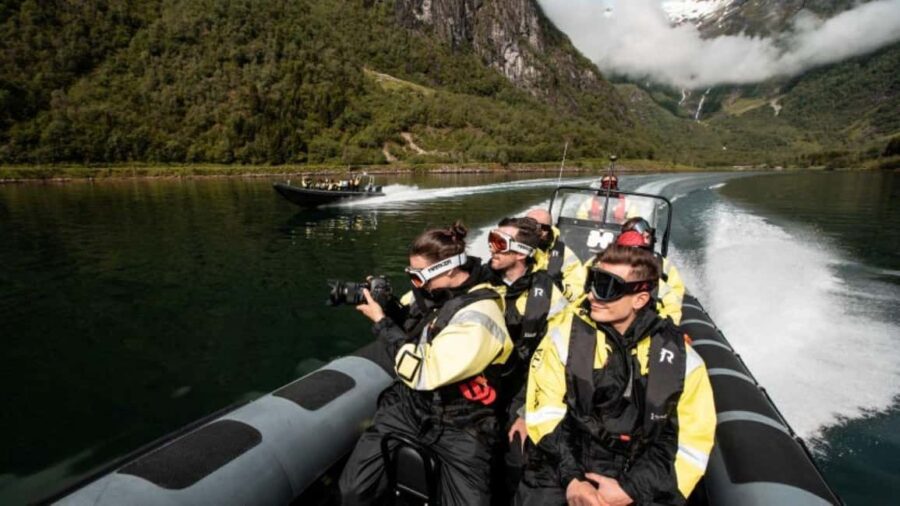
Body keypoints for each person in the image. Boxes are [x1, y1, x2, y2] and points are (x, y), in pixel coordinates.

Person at [514, 245, 716, 505]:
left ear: (640, 299)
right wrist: (574, 479)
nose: (592, 295)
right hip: (564, 465)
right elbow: (546, 413)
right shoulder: (564, 339)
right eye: (593, 282)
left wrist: (631, 489)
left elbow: (690, 443)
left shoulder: (682, 361)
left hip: (642, 474)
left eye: (607, 287)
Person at [339, 221, 514, 506]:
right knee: (353, 490)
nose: (414, 283)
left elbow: (424, 371)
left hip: (462, 424)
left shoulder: (481, 316)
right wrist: (388, 306)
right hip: (409, 408)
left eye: (418, 277)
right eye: (410, 274)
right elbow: (412, 322)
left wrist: (381, 323)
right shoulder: (432, 293)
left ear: (447, 269)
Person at [486, 217, 570, 498]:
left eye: (499, 243)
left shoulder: (547, 296)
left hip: (524, 387)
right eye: (490, 240)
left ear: (521, 252)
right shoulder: (478, 281)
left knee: (516, 458)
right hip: (479, 387)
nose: (491, 249)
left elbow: (553, 361)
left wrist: (525, 413)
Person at [616, 217, 686, 325]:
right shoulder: (606, 264)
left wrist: (661, 324)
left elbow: (675, 299)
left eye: (647, 237)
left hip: (652, 320)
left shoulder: (663, 266)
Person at [525, 208, 586, 302]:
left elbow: (577, 290)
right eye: (528, 225)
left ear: (549, 229)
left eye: (542, 227)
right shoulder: (514, 247)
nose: (534, 231)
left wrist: (559, 287)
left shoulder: (565, 254)